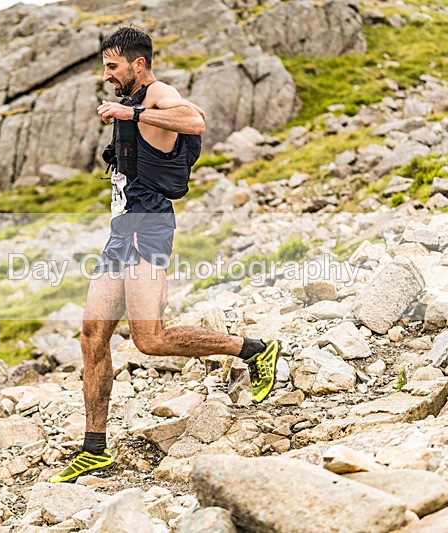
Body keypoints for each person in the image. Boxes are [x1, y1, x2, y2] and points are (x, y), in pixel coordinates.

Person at [49, 27, 281, 483]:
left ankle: (254, 350)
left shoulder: (156, 94)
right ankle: (94, 448)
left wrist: (129, 112)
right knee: (92, 335)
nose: (106, 76)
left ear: (138, 64)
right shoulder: (136, 100)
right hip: (122, 230)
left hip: (150, 227)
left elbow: (194, 120)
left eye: (112, 67)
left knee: (150, 339)